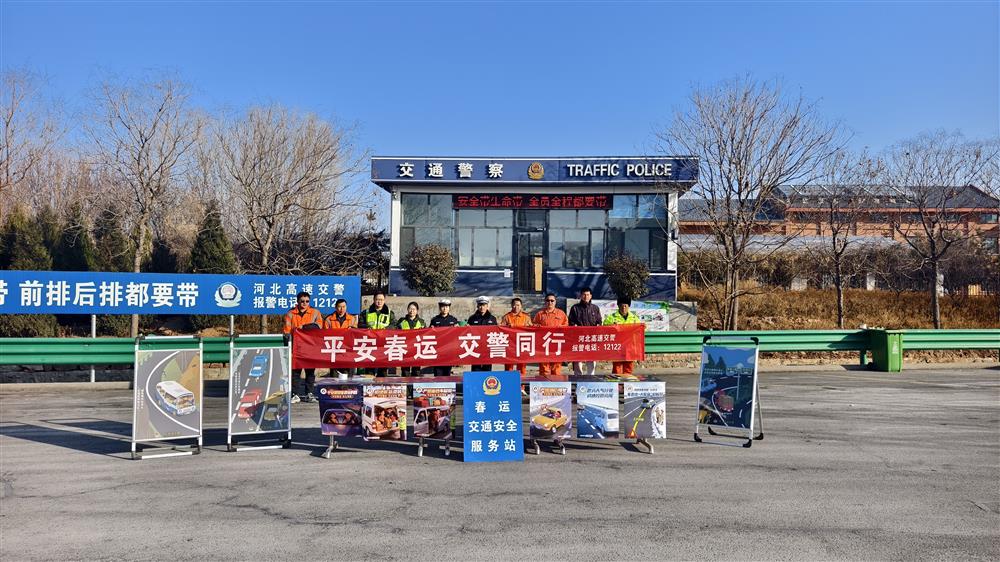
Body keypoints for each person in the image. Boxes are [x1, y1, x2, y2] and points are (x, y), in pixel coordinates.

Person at [283, 291, 323, 402]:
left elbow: (319, 326)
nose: (304, 303)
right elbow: (286, 332)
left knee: (310, 372)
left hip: (310, 347)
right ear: (297, 301)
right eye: (302, 301)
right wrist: (288, 348)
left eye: (307, 301)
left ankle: (309, 393)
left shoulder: (315, 312)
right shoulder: (290, 314)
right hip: (296, 347)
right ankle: (295, 394)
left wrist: (303, 327)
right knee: (295, 372)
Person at [603, 296, 642, 376]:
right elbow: (604, 328)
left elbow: (639, 332)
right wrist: (612, 327)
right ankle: (617, 383)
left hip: (630, 347)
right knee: (617, 369)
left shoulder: (634, 318)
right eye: (621, 306)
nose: (623, 308)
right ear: (618, 306)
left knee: (628, 368)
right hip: (617, 347)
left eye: (625, 306)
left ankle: (627, 383)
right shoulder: (611, 318)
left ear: (628, 306)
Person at [532, 293, 568, 376]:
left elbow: (566, 326)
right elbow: (534, 326)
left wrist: (560, 327)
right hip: (544, 344)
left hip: (557, 344)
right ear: (545, 302)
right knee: (544, 368)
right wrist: (537, 326)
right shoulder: (540, 314)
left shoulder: (561, 313)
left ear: (555, 302)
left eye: (552, 300)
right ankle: (543, 382)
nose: (550, 302)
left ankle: (556, 383)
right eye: (548, 300)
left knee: (556, 368)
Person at [358, 293, 395, 377]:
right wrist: (367, 328)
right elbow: (360, 324)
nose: (379, 302)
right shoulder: (366, 312)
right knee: (369, 370)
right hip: (370, 344)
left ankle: (382, 384)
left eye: (381, 300)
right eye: (377, 299)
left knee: (383, 370)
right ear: (374, 300)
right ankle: (369, 385)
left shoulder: (389, 313)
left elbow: (394, 325)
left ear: (384, 300)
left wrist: (386, 329)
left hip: (383, 344)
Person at [568, 287, 602, 376]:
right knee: (578, 359)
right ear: (581, 296)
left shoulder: (595, 308)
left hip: (591, 338)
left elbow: (599, 321)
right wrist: (575, 328)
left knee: (591, 359)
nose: (586, 296)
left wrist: (598, 326)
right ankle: (578, 376)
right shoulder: (575, 308)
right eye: (584, 294)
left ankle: (591, 376)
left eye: (587, 295)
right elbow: (571, 322)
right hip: (578, 338)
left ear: (591, 296)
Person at [323, 298, 355, 378]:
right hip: (335, 350)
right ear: (335, 307)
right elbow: (324, 335)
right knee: (334, 376)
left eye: (344, 307)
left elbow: (356, 333)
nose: (342, 309)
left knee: (349, 375)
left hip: (348, 350)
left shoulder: (352, 319)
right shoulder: (328, 319)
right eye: (339, 307)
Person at [500, 297, 532, 376]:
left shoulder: (526, 317)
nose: (516, 307)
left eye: (518, 305)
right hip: (510, 345)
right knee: (509, 366)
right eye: (514, 305)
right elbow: (501, 329)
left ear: (521, 306)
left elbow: (531, 329)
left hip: (522, 344)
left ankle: (521, 382)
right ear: (511, 305)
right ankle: (509, 382)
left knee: (521, 366)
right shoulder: (506, 317)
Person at [467, 296, 498, 371]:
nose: (482, 307)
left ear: (487, 306)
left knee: (487, 369)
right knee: (475, 369)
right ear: (477, 306)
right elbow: (468, 332)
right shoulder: (472, 318)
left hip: (487, 347)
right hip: (475, 347)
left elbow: (496, 332)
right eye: (480, 305)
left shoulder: (492, 319)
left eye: (484, 305)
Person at [429, 299, 459, 376]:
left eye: (447, 306)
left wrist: (458, 329)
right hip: (438, 350)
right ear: (440, 308)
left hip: (449, 350)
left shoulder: (453, 320)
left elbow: (457, 335)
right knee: (438, 373)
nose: (445, 308)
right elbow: (429, 335)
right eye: (443, 307)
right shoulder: (435, 320)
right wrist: (430, 329)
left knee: (447, 373)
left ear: (449, 308)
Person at [395, 302, 426, 377]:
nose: (412, 311)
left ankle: (415, 384)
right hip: (405, 349)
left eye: (414, 309)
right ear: (407, 309)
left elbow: (425, 334)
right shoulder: (401, 321)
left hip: (417, 349)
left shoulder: (422, 322)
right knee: (405, 372)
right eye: (410, 309)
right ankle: (406, 385)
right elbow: (396, 332)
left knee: (416, 372)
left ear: (417, 310)